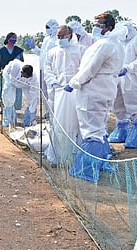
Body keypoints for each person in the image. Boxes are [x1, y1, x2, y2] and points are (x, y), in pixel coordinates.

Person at [63, 13, 125, 182]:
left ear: (109, 27)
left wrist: (74, 82)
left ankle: (86, 170)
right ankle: (101, 162)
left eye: (99, 25)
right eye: (94, 24)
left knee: (92, 131)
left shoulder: (104, 45)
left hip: (93, 91)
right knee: (100, 128)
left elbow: (89, 69)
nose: (95, 27)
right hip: (106, 90)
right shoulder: (117, 44)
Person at [43, 25, 86, 164]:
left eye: (63, 36)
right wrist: (53, 82)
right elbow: (47, 68)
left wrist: (74, 83)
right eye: (59, 36)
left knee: (77, 123)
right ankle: (58, 155)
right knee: (58, 123)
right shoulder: (53, 51)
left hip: (75, 91)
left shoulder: (80, 50)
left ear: (70, 35)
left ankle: (75, 154)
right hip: (58, 92)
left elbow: (84, 70)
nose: (61, 39)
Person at [108, 21, 137, 148]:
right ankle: (121, 132)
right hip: (118, 78)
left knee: (133, 106)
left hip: (134, 79)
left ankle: (136, 138)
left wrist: (128, 68)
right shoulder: (119, 41)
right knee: (118, 105)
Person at [25, 19, 59, 114]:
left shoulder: (56, 40)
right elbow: (41, 53)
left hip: (51, 70)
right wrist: (34, 47)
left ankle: (53, 112)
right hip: (42, 69)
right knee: (43, 92)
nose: (46, 29)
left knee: (51, 92)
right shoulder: (46, 39)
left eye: (48, 27)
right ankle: (47, 112)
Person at [0, 59, 39, 127]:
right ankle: (9, 120)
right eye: (26, 76)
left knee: (32, 99)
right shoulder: (15, 66)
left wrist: (32, 107)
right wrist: (17, 82)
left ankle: (29, 120)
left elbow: (34, 93)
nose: (27, 78)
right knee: (8, 98)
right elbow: (12, 80)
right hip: (10, 79)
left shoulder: (33, 77)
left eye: (28, 77)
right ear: (22, 72)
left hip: (25, 84)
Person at [0, 32, 24, 114]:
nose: (14, 40)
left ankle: (14, 108)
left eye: (15, 38)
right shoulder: (2, 51)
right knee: (4, 90)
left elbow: (22, 62)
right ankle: (2, 108)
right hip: (4, 74)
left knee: (16, 91)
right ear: (8, 39)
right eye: (13, 38)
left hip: (16, 75)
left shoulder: (19, 50)